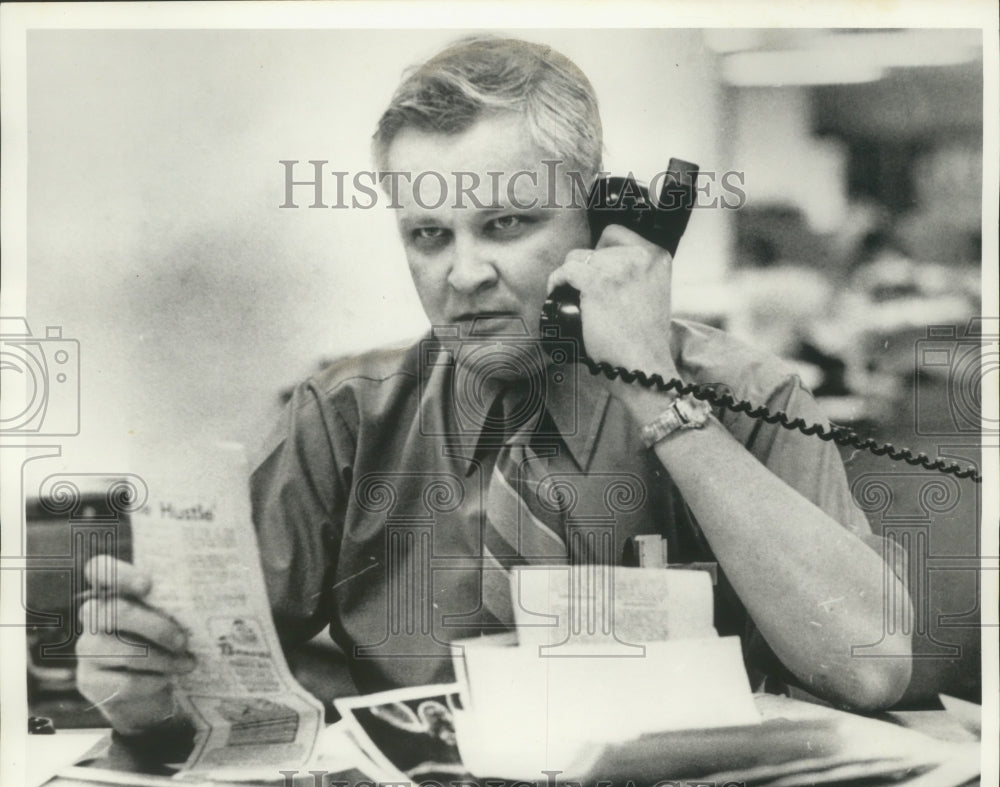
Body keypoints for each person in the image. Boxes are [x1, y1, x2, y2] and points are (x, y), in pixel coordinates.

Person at [76, 36, 913, 740]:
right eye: (430, 235)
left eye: (508, 224)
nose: (465, 273)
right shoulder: (344, 419)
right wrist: (145, 692)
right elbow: (214, 678)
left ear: (599, 223)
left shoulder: (750, 396)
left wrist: (655, 392)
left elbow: (872, 667)